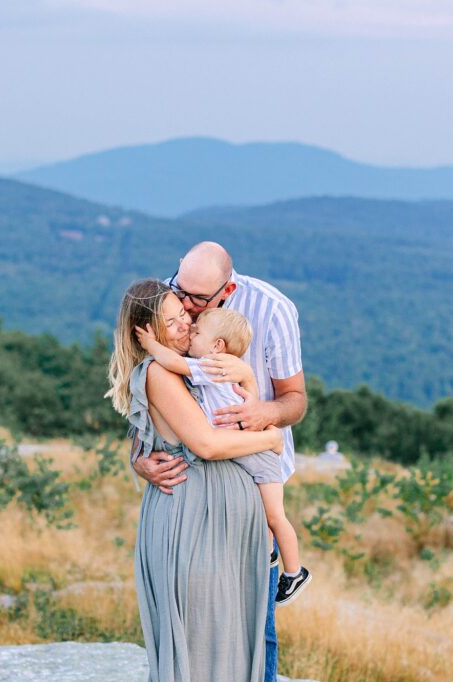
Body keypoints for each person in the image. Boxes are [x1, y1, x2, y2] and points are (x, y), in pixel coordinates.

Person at [132, 241, 306, 681]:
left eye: (196, 302)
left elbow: (295, 400)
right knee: (207, 624)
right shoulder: (171, 305)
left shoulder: (272, 310)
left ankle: (293, 572)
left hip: (250, 476)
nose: (186, 310)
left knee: (253, 624)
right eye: (179, 294)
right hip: (201, 488)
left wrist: (265, 420)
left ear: (226, 289)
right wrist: (138, 454)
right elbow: (144, 400)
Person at [136, 307, 312, 606]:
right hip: (249, 449)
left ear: (217, 345)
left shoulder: (214, 365)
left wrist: (149, 345)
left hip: (258, 455)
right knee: (269, 517)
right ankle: (279, 562)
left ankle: (294, 572)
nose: (190, 331)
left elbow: (174, 363)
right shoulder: (218, 362)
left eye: (197, 332)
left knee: (274, 516)